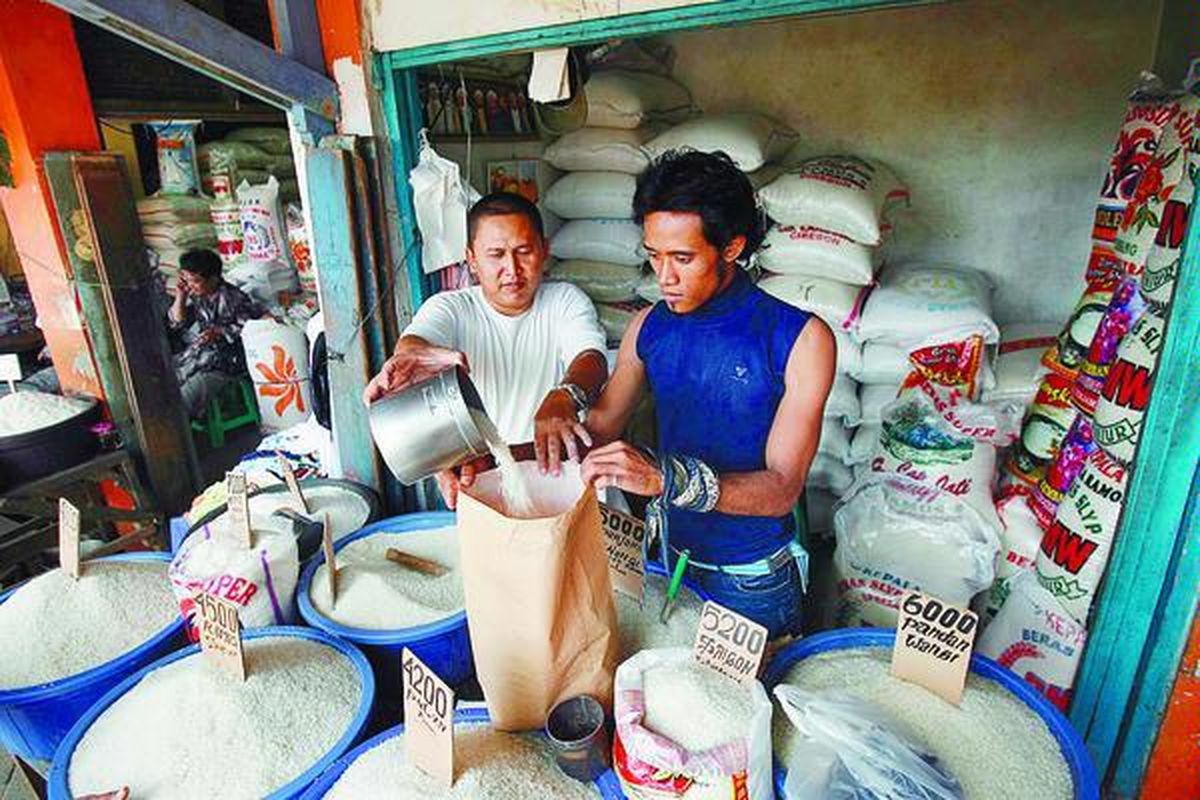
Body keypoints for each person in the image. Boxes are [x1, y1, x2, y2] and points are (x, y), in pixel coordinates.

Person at [580, 151, 836, 639]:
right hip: (669, 560)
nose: (664, 277)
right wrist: (495, 457)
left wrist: (664, 479)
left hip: (751, 580)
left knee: (751, 711)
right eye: (654, 255)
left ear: (732, 247)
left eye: (683, 258)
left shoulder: (800, 339)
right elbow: (599, 428)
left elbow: (782, 489)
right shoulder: (648, 327)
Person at [364, 192, 608, 508]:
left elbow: (591, 359)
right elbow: (417, 342)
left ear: (544, 250)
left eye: (524, 251)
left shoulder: (565, 301)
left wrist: (565, 396)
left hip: (555, 474)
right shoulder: (452, 307)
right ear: (472, 260)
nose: (512, 268)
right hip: (480, 477)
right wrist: (411, 355)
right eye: (496, 254)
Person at [166, 249, 264, 418]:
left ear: (213, 278)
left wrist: (220, 332)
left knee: (184, 399)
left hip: (226, 361)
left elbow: (250, 328)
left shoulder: (234, 298)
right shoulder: (197, 294)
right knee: (165, 382)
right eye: (187, 280)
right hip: (201, 355)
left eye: (195, 281)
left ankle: (175, 434)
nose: (190, 285)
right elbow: (176, 323)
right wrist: (180, 296)